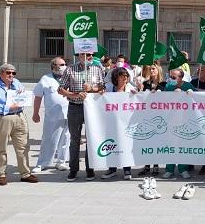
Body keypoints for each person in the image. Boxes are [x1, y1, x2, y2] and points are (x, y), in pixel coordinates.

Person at [0, 64, 38, 185]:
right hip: (1, 118)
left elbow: (23, 96)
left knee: (23, 147)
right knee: (1, 147)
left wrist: (23, 94)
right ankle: (1, 174)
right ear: (1, 73)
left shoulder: (16, 82)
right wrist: (8, 107)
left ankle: (25, 173)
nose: (11, 75)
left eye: (14, 73)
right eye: (8, 73)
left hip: (19, 116)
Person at [58, 52, 105, 182]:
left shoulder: (97, 69)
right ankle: (73, 169)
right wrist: (75, 95)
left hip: (92, 109)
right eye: (86, 55)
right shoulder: (70, 69)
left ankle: (90, 169)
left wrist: (93, 88)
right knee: (75, 139)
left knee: (91, 139)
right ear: (79, 56)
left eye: (91, 55)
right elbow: (61, 89)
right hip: (75, 107)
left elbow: (102, 87)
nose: (89, 58)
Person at [32, 57, 70, 173]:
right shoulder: (45, 79)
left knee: (65, 139)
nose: (64, 66)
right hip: (52, 115)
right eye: (61, 64)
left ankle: (61, 162)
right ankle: (42, 163)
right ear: (54, 66)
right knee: (49, 139)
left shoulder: (69, 77)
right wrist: (35, 113)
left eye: (64, 64)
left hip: (69, 113)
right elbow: (38, 97)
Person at [102, 68, 137, 180]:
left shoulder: (130, 88)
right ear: (116, 78)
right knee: (111, 145)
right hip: (111, 122)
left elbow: (138, 101)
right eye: (122, 76)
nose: (125, 78)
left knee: (126, 145)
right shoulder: (108, 88)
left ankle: (127, 170)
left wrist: (137, 94)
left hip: (126, 123)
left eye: (126, 76)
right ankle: (112, 169)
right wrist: (100, 94)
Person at [162, 68, 195, 179]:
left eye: (173, 77)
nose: (171, 79)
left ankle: (183, 169)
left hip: (184, 120)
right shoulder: (168, 86)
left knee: (182, 145)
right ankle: (169, 169)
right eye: (170, 77)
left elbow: (196, 101)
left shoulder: (188, 86)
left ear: (181, 77)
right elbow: (162, 101)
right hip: (171, 119)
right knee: (171, 144)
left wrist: (190, 93)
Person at [138, 64, 164, 176]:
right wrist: (139, 90)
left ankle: (156, 166)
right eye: (150, 69)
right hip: (147, 116)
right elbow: (141, 97)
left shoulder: (164, 84)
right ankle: (147, 166)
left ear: (158, 70)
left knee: (157, 142)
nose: (151, 70)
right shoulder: (145, 83)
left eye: (153, 69)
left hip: (159, 117)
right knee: (147, 141)